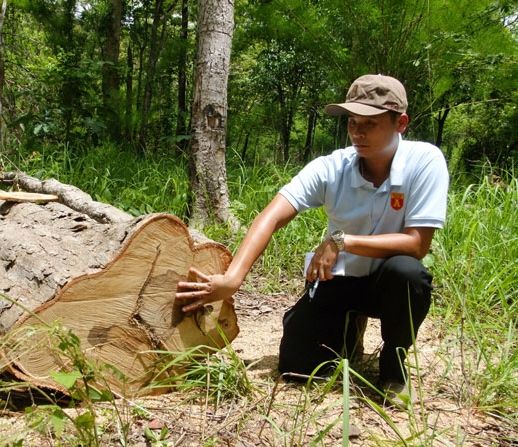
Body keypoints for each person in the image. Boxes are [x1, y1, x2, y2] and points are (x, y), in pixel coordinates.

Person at [176, 74, 449, 408]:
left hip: (388, 283)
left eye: (371, 124)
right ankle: (348, 334)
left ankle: (393, 368)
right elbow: (272, 215)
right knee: (298, 368)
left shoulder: (425, 162)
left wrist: (340, 239)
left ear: (400, 123)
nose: (358, 133)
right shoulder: (333, 167)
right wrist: (233, 279)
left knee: (409, 273)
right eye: (352, 123)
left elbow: (417, 245)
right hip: (340, 277)